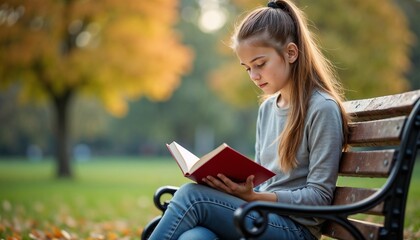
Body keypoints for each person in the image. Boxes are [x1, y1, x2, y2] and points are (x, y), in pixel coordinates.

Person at [148, 0, 350, 239]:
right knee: (195, 238)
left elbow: (319, 198)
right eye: (247, 68)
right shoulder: (267, 109)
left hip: (295, 229)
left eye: (260, 64)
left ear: (291, 53)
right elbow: (263, 185)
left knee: (191, 196)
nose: (254, 76)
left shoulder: (321, 108)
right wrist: (233, 188)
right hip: (261, 217)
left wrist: (255, 197)